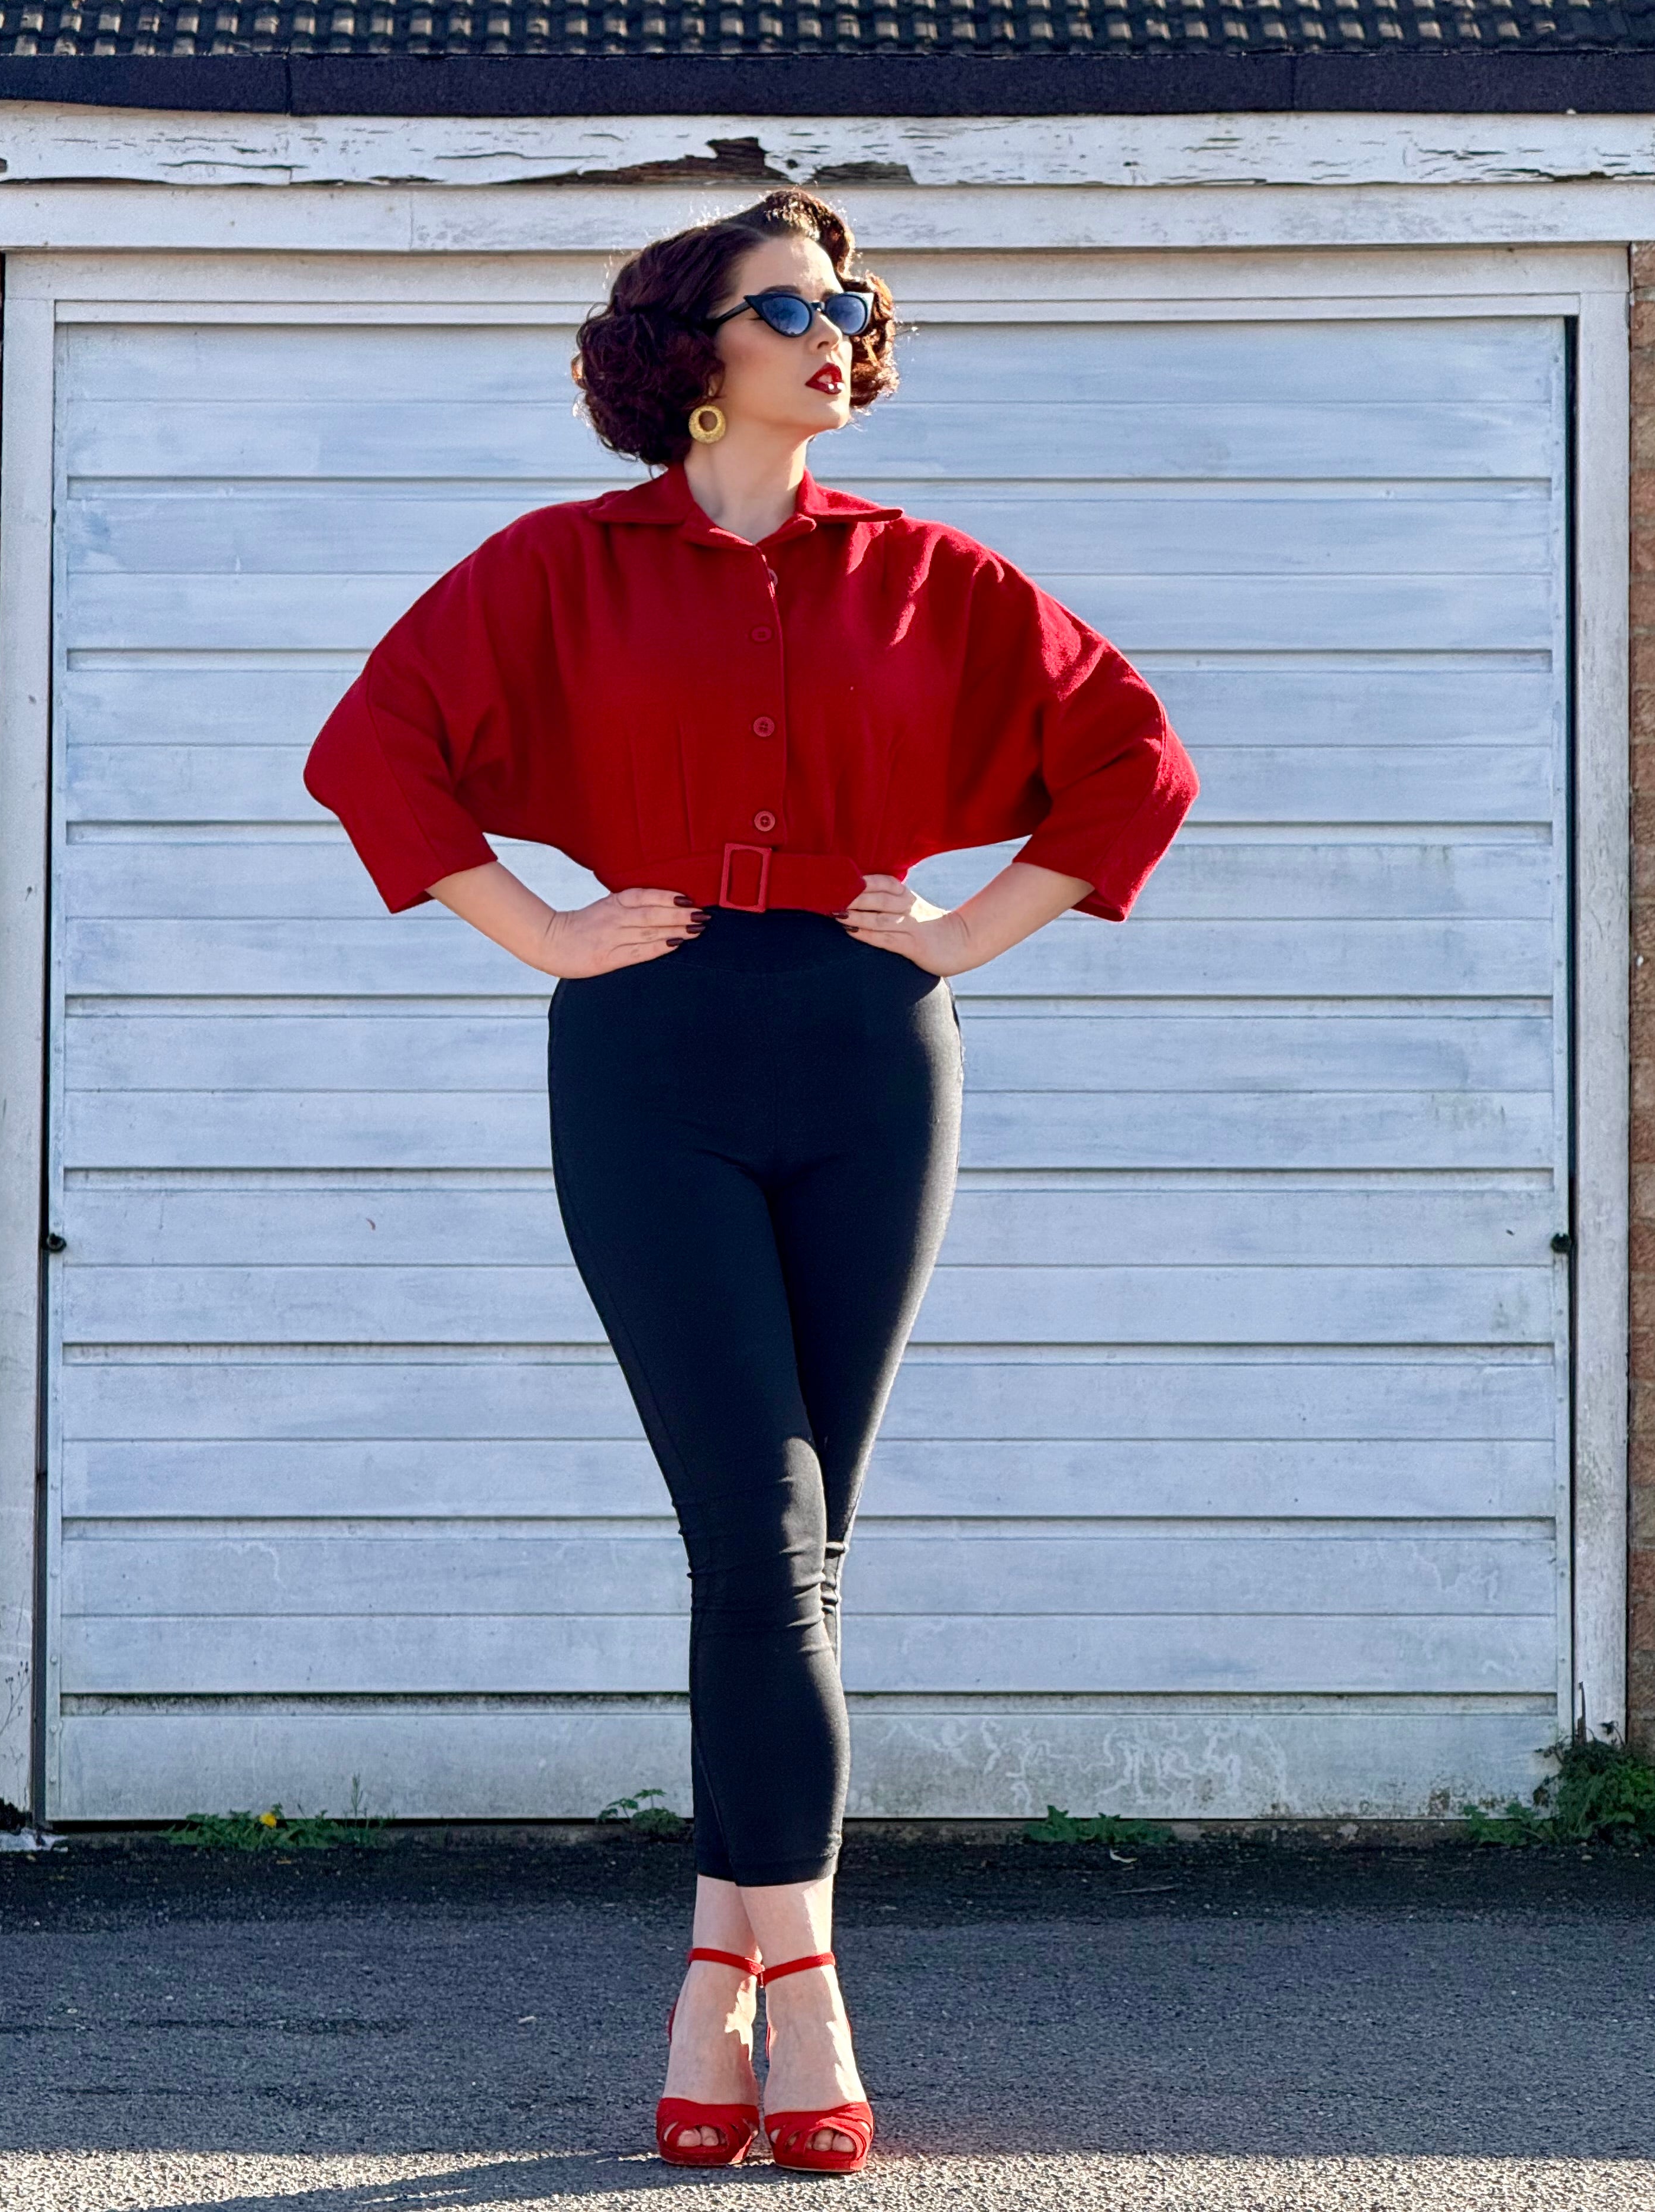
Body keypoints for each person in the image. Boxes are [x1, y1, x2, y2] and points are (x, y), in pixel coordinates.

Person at [302, 188, 1198, 2174]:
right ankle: (805, 1989)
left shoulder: (936, 576)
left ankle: (721, 1971)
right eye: (786, 303)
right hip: (653, 1055)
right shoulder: (555, 569)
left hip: (871, 1057)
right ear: (686, 353)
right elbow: (372, 751)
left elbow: (1135, 761)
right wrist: (543, 931)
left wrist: (962, 934)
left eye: (848, 301)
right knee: (763, 1533)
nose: (833, 329)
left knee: (796, 1550)